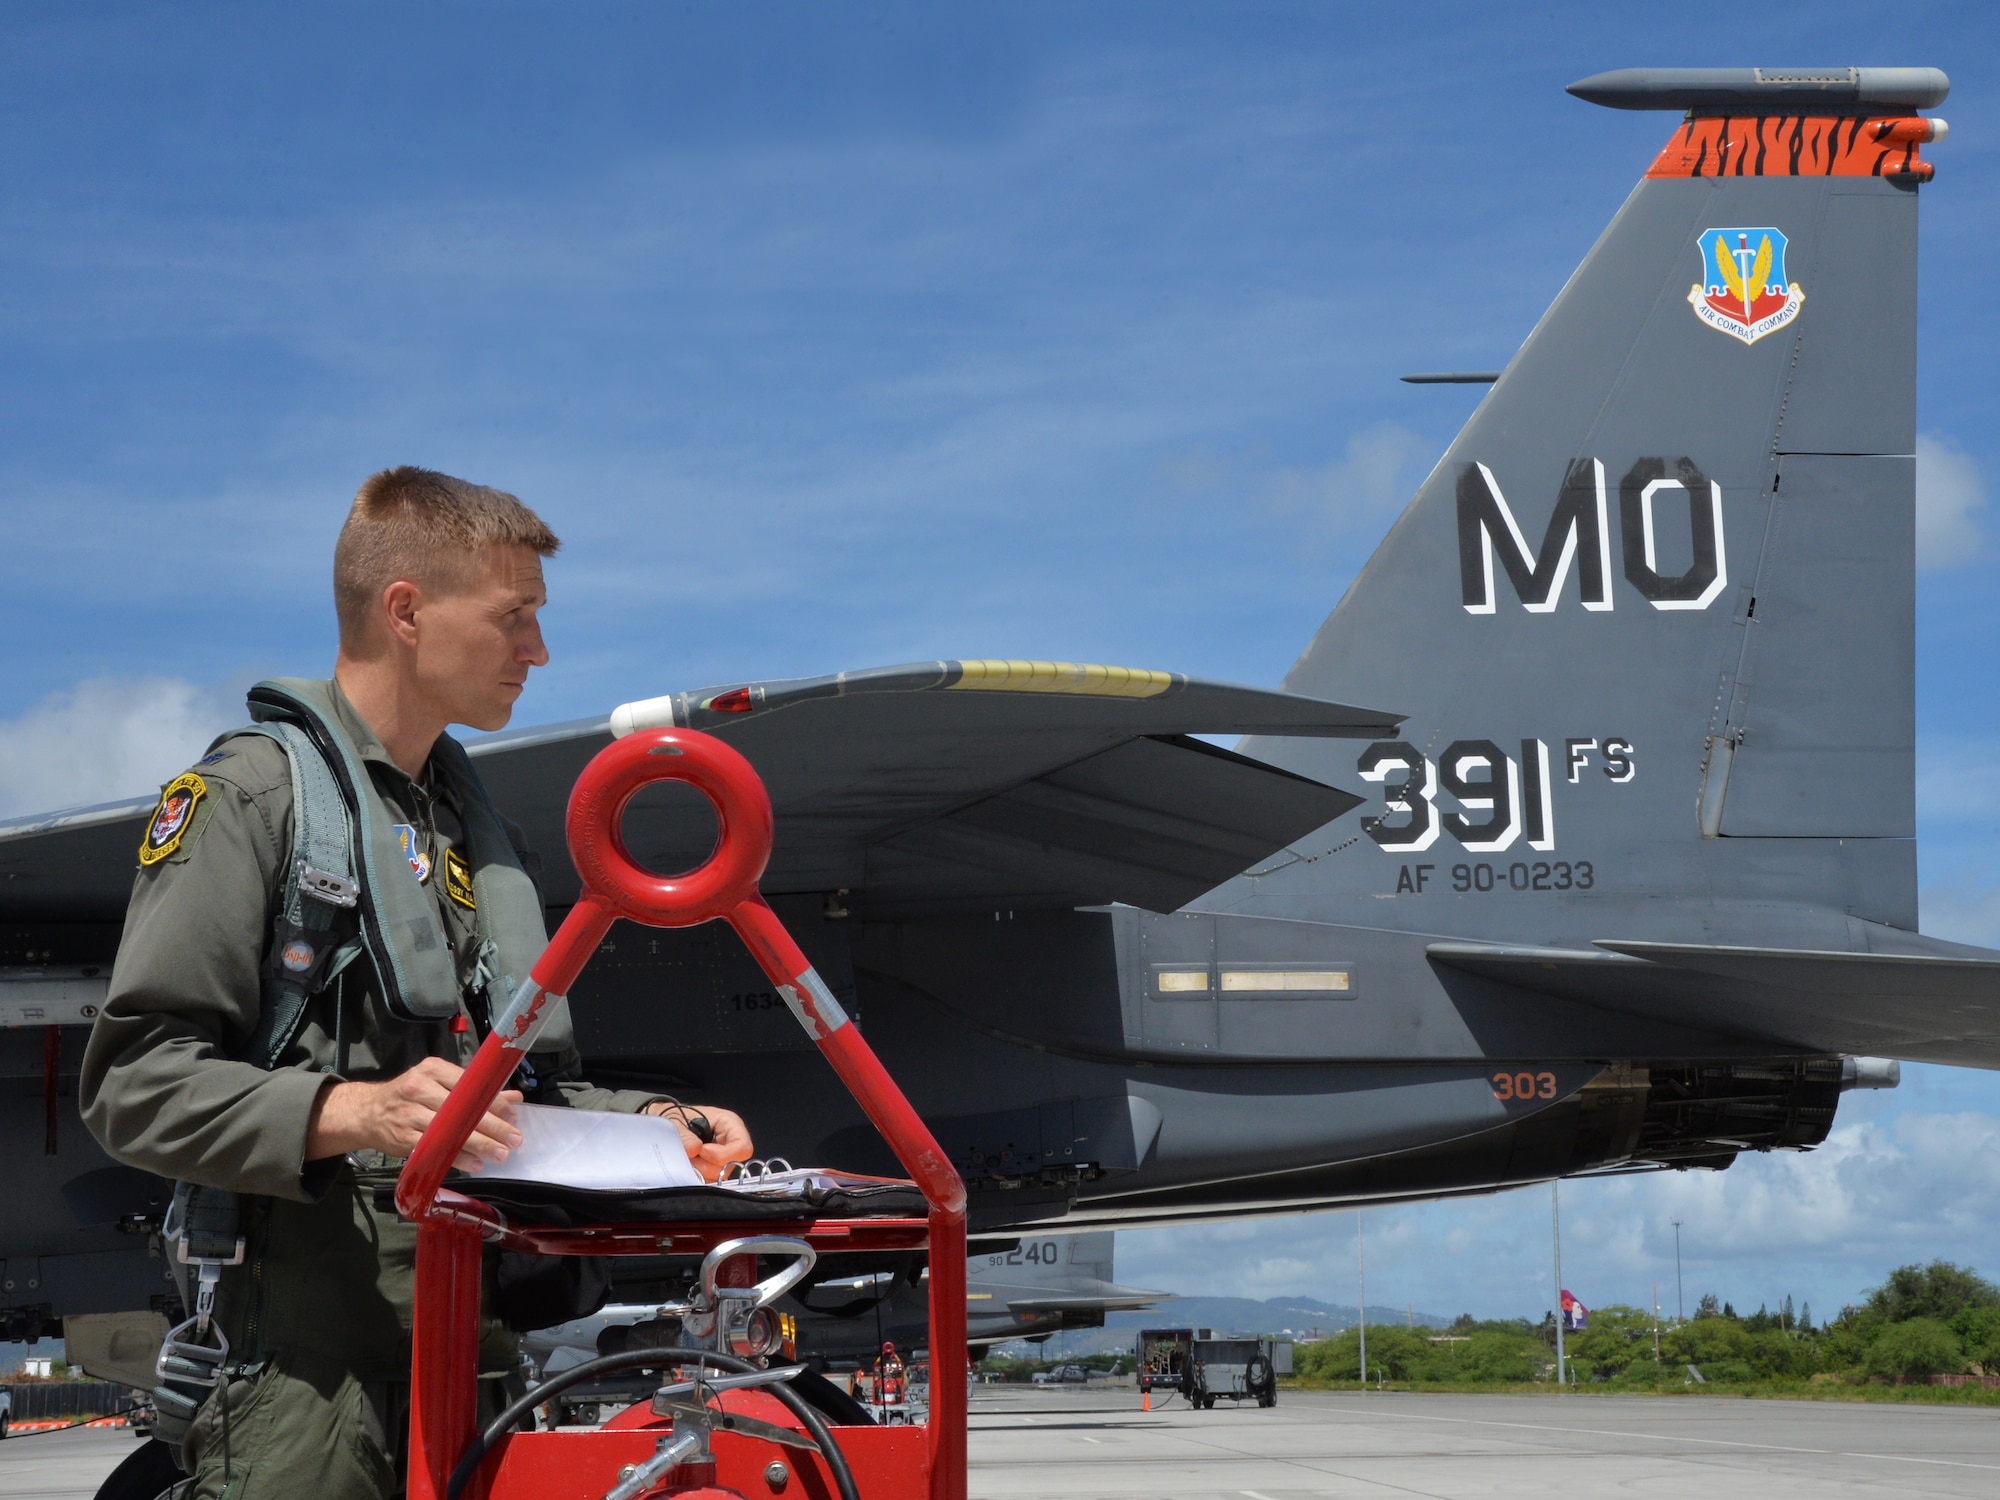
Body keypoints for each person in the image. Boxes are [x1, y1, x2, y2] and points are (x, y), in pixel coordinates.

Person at [81, 467, 752, 1499]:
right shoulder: (250, 804)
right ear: (406, 611)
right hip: (304, 1396)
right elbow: (133, 1084)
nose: (537, 650)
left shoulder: (466, 840)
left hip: (475, 1369)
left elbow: (485, 1102)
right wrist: (355, 1110)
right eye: (513, 616)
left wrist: (657, 1120)